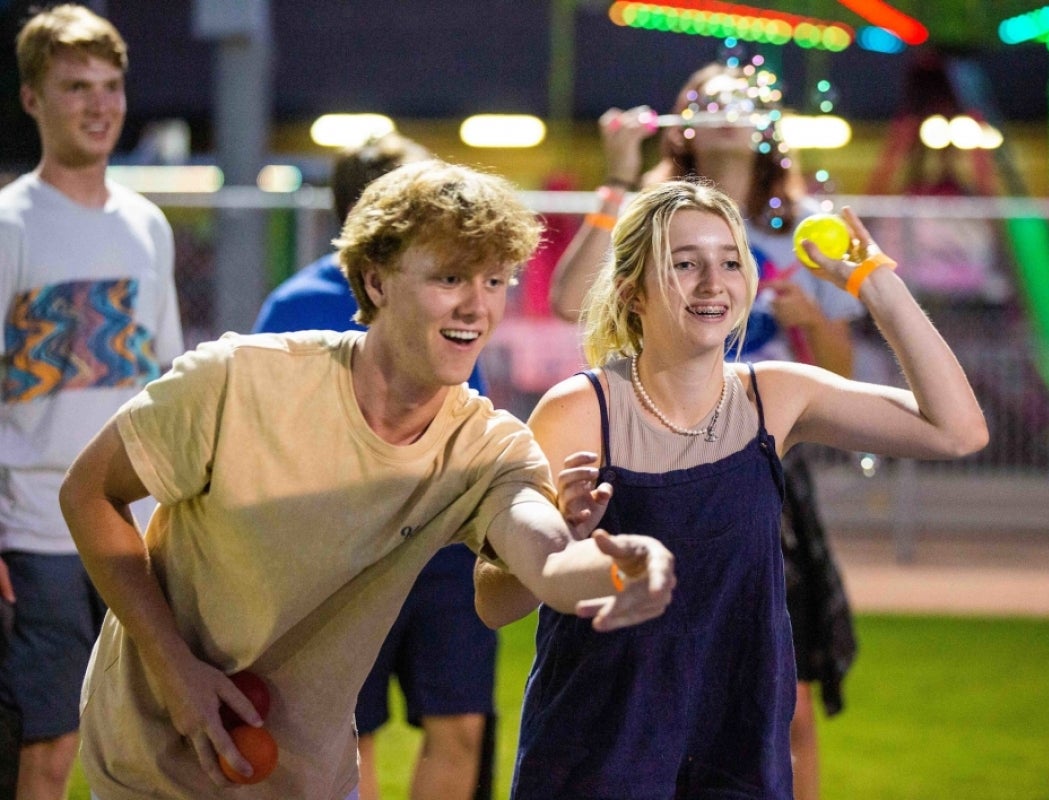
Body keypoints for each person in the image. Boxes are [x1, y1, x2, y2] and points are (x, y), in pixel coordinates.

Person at [57, 159, 677, 800]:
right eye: (450, 277)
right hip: (152, 763)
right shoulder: (236, 380)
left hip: (309, 779)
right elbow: (90, 491)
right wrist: (176, 670)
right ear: (376, 281)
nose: (477, 304)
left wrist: (616, 567)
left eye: (496, 280)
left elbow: (543, 559)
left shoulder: (486, 446)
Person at [489, 180, 987, 798]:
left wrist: (877, 286)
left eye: (730, 261)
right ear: (632, 292)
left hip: (738, 749)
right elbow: (491, 600)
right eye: (684, 263)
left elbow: (958, 432)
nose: (712, 282)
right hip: (597, 751)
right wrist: (561, 541)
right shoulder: (578, 411)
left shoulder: (773, 396)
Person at [547, 60, 862, 800]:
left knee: (785, 691)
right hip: (662, 454)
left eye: (744, 101)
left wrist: (814, 320)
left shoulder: (803, 220)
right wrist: (620, 177)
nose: (714, 279)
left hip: (762, 460)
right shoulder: (652, 211)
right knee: (655, 680)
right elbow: (570, 299)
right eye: (709, 102)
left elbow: (844, 365)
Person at [252, 132, 499, 800]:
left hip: (445, 540)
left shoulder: (458, 295)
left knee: (461, 727)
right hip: (344, 553)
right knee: (345, 734)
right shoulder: (294, 307)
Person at [0, 6, 184, 799]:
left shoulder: (147, 225)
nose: (100, 105)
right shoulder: (11, 224)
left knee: (154, 740)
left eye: (110, 86)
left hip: (136, 534)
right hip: (35, 531)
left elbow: (167, 385)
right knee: (45, 747)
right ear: (33, 99)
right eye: (75, 87)